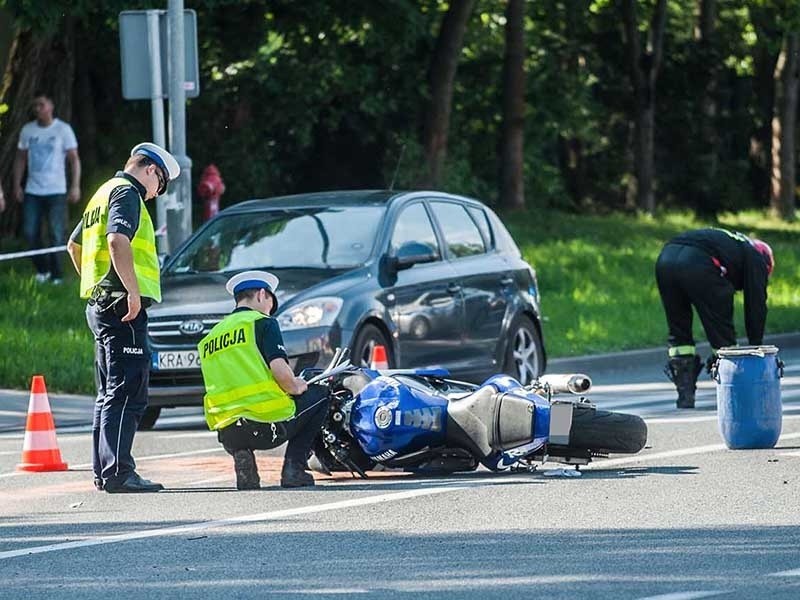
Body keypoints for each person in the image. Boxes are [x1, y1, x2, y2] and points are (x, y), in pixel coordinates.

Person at [66, 142, 179, 493]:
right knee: (128, 391)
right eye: (159, 186)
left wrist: (98, 283)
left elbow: (75, 246)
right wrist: (129, 290)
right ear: (150, 171)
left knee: (109, 392)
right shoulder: (127, 192)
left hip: (101, 304)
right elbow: (117, 240)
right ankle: (119, 472)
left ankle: (105, 471)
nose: (155, 194)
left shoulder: (101, 194)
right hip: (122, 307)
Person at [198, 270, 330, 489]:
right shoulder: (262, 323)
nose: (270, 311)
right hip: (267, 425)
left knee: (239, 430)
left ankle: (243, 460)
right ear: (261, 295)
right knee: (321, 395)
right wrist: (298, 385)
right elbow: (281, 373)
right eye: (270, 303)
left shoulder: (211, 336)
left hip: (227, 431)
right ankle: (294, 469)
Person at [655, 228, 774, 408]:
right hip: (698, 262)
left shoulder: (732, 243)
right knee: (722, 335)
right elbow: (756, 304)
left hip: (665, 259)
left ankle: (685, 396)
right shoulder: (756, 257)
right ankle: (735, 393)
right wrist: (756, 349)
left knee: (679, 332)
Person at [14, 92, 81, 284]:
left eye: (41, 105)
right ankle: (42, 269)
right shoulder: (28, 131)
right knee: (30, 232)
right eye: (35, 106)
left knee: (56, 232)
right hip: (33, 190)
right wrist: (17, 184)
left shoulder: (63, 130)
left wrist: (75, 185)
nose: (38, 109)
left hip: (56, 190)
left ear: (51, 106)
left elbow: (74, 159)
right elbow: (21, 158)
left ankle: (57, 274)